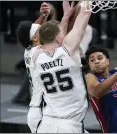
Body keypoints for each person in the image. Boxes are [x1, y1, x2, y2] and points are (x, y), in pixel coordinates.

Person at [24, 1, 91, 133]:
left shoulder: (33, 55)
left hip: (46, 122)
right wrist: (87, 4)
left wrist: (66, 17)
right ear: (59, 39)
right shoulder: (69, 51)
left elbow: (41, 34)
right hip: (69, 123)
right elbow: (82, 20)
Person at [16, 2, 74, 133]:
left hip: (40, 112)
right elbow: (59, 33)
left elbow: (34, 29)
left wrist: (43, 15)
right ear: (36, 38)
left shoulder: (30, 49)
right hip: (45, 115)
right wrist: (71, 15)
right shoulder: (42, 53)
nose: (41, 29)